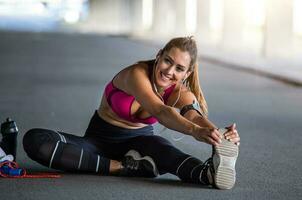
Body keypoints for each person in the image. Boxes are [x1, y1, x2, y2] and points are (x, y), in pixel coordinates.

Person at [23, 36, 240, 189]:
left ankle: (207, 174)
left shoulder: (182, 92)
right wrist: (194, 131)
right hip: (97, 142)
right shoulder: (136, 74)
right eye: (167, 61)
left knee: (164, 150)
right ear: (158, 55)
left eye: (179, 69)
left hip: (140, 143)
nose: (169, 71)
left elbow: (193, 115)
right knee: (36, 140)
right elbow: (159, 109)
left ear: (187, 73)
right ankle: (125, 167)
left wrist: (218, 134)